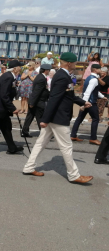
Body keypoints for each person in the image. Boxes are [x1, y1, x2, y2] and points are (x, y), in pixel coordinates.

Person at [22, 52, 93, 184]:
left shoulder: (64, 75)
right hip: (58, 117)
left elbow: (68, 95)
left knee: (40, 143)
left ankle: (28, 167)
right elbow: (54, 99)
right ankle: (73, 175)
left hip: (55, 116)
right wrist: (45, 119)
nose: (76, 64)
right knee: (66, 146)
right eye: (75, 62)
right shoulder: (62, 77)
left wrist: (82, 102)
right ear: (69, 63)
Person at [71, 64, 105, 145]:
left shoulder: (88, 78)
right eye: (100, 69)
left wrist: (103, 97)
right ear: (96, 70)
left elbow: (94, 91)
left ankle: (73, 135)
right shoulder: (94, 80)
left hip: (86, 102)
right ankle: (93, 138)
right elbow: (88, 92)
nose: (101, 70)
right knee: (95, 119)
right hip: (90, 103)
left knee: (79, 119)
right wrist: (83, 104)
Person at [21, 64, 51, 138]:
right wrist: (32, 102)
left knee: (30, 117)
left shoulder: (40, 77)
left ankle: (24, 131)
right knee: (40, 117)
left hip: (35, 100)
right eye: (49, 70)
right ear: (46, 70)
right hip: (38, 101)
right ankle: (43, 134)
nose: (49, 71)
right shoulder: (41, 78)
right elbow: (37, 91)